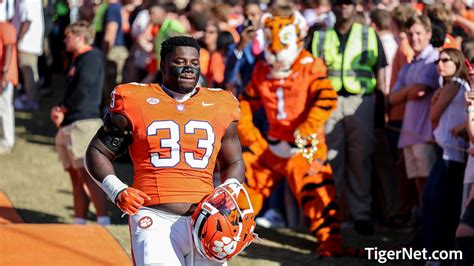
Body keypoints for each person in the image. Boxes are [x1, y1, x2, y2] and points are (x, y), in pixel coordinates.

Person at [85, 36, 246, 265]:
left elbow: (234, 162)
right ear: (163, 65)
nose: (189, 68)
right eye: (180, 61)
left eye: (194, 62)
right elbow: (97, 152)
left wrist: (228, 191)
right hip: (154, 216)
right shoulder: (136, 99)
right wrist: (118, 190)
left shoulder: (220, 104)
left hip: (206, 220)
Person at [237, 10, 346, 257]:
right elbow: (244, 103)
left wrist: (307, 128)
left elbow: (327, 99)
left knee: (318, 192)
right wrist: (250, 136)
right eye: (270, 38)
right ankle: (230, 234)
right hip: (272, 146)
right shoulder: (262, 69)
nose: (275, 47)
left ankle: (330, 241)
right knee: (243, 184)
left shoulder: (311, 65)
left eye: (283, 39)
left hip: (305, 147)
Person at [309, 0, 388, 235]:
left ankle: (360, 215)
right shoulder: (320, 36)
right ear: (333, 7)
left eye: (349, 3)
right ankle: (333, 214)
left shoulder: (368, 34)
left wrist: (381, 108)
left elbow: (380, 69)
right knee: (331, 159)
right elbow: (308, 71)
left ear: (356, 7)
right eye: (340, 3)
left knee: (360, 158)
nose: (344, 7)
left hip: (359, 101)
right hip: (328, 102)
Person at [51, 21, 110, 225]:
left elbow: (84, 88)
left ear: (79, 37)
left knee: (88, 174)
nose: (65, 40)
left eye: (68, 36)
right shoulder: (77, 59)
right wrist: (60, 108)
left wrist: (64, 108)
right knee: (76, 176)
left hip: (84, 123)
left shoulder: (92, 57)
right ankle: (79, 222)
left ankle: (103, 220)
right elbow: (72, 90)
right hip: (71, 122)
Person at [389, 15, 440, 225]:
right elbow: (392, 98)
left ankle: (430, 229)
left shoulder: (434, 60)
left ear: (428, 34)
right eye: (410, 34)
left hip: (425, 133)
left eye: (418, 33)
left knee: (429, 185)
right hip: (410, 132)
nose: (414, 38)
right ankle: (422, 227)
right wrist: (409, 91)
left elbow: (421, 91)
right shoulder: (409, 66)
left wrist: (407, 91)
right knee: (418, 184)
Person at [423, 48, 470, 262]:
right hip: (447, 152)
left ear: (457, 62)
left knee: (438, 208)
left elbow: (433, 114)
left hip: (452, 156)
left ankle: (438, 255)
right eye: (437, 61)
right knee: (438, 206)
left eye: (445, 60)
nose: (439, 65)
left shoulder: (455, 85)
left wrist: (435, 100)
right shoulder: (450, 86)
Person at [0, 17, 18, 154]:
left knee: (5, 107)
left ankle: (7, 141)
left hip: (5, 76)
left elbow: (10, 47)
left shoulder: (5, 26)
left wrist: (4, 74)